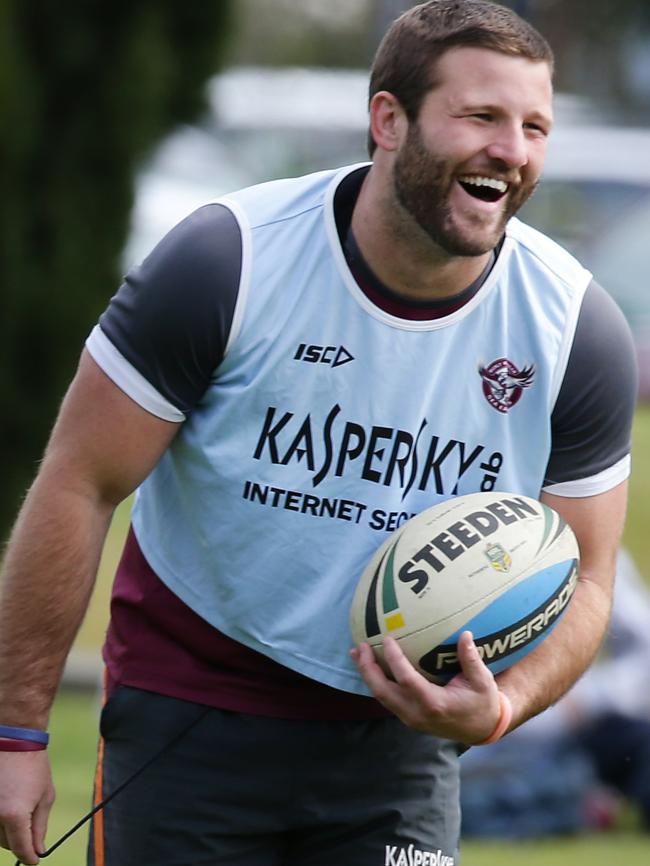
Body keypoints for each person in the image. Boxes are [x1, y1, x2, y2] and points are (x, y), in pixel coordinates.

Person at [0, 2, 638, 864]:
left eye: (534, 126)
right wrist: (18, 735)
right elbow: (79, 484)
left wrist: (499, 707)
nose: (512, 151)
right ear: (387, 119)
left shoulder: (574, 329)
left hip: (402, 746)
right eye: (481, 116)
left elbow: (588, 578)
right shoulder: (229, 262)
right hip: (194, 712)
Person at [460, 548, 650, 838]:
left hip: (573, 733)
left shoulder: (582, 543)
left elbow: (644, 658)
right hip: (471, 749)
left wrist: (578, 702)